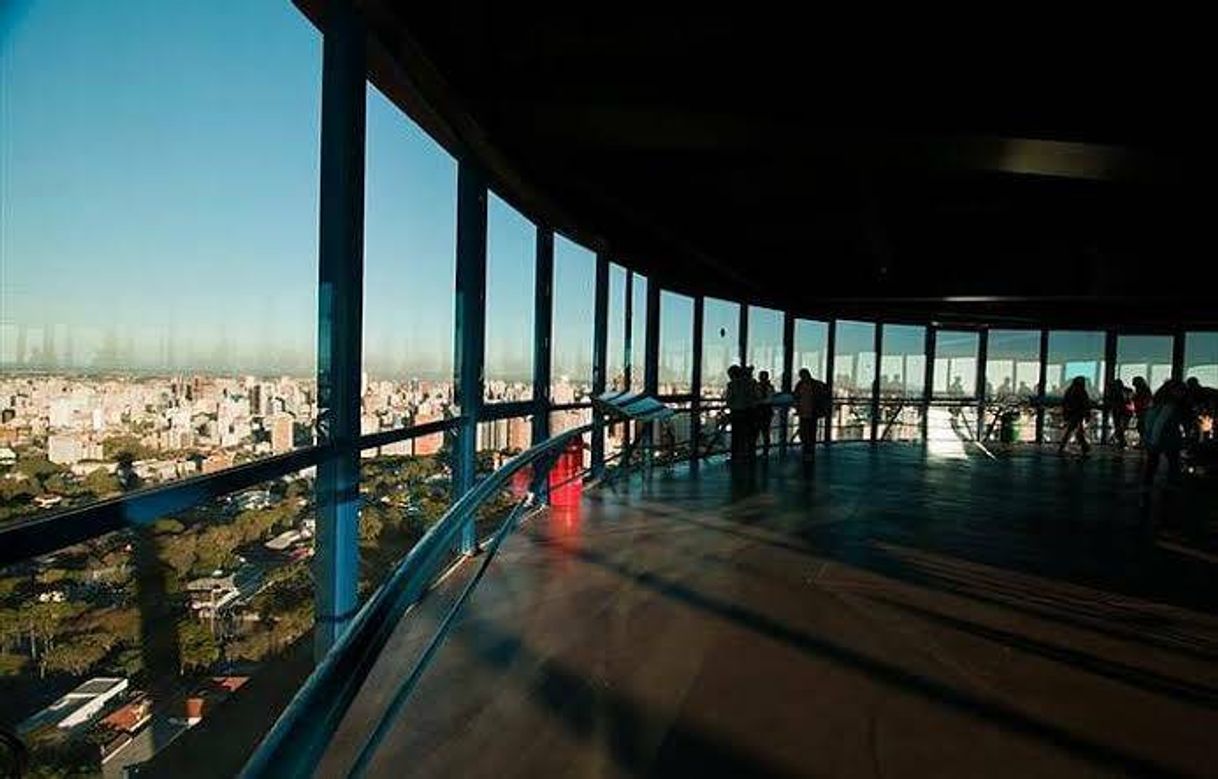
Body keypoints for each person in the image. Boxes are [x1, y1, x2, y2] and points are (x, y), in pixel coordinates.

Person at [1142, 379, 1188, 489]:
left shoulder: (1158, 402)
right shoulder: (1170, 405)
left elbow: (1153, 422)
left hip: (1158, 437)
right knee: (1173, 461)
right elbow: (1160, 423)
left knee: (1153, 462)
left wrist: (1150, 438)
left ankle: (1147, 483)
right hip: (1168, 437)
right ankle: (1172, 482)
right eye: (1180, 391)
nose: (1182, 394)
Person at [793, 368, 829, 460]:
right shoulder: (815, 384)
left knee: (808, 433)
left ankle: (808, 451)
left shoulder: (800, 385)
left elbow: (795, 396)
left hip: (808, 413)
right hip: (810, 413)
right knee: (808, 434)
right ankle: (809, 452)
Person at [1058, 376, 1092, 456]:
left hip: (1073, 414)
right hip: (1078, 414)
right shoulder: (1082, 392)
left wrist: (1066, 413)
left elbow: (1065, 403)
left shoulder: (1070, 391)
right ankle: (1084, 446)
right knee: (1075, 431)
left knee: (1073, 430)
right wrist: (1087, 415)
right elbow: (1085, 404)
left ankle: (1082, 446)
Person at [725, 365, 753, 461]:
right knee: (745, 434)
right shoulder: (747, 383)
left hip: (736, 412)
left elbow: (729, 399)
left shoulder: (731, 385)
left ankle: (735, 454)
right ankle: (745, 454)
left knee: (736, 435)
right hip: (747, 412)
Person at [1105, 378, 1134, 449]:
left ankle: (1120, 441)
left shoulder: (1115, 393)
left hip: (1119, 412)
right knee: (1121, 427)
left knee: (1119, 427)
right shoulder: (1127, 391)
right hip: (1126, 412)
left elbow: (1111, 403)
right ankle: (1121, 442)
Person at [755, 370, 776, 454]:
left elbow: (767, 399)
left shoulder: (756, 387)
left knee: (758, 432)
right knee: (765, 432)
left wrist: (758, 402)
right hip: (766, 412)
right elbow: (770, 399)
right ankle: (765, 451)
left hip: (758, 412)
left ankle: (755, 451)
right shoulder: (770, 387)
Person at [1131, 376, 1152, 445]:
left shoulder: (1142, 391)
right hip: (1143, 411)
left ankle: (1143, 442)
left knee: (1142, 427)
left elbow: (1144, 401)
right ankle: (1143, 441)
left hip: (1143, 411)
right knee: (1142, 427)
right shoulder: (1144, 390)